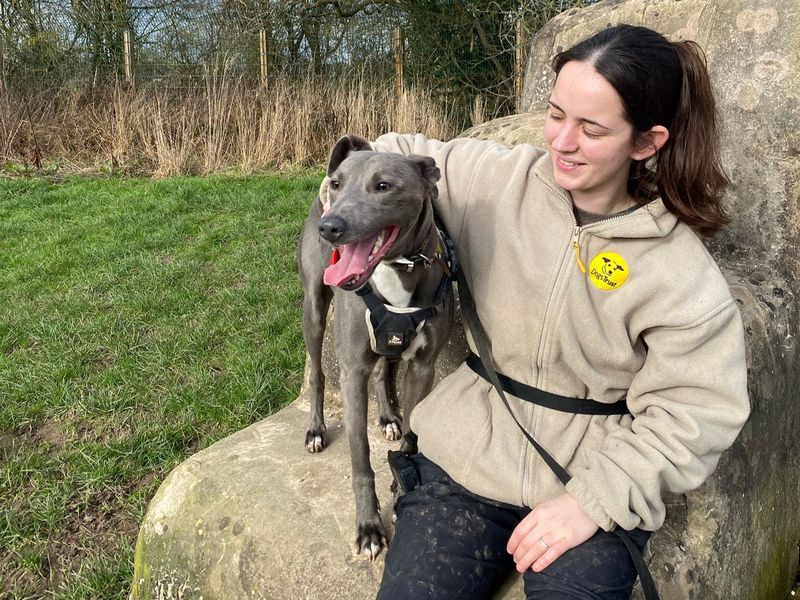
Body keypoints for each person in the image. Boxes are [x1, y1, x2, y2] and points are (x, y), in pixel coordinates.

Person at [329, 24, 750, 599]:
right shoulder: (496, 180)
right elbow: (397, 152)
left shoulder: (677, 269)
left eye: (591, 129)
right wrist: (354, 204)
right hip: (466, 456)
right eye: (556, 115)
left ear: (646, 143)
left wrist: (592, 501)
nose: (561, 142)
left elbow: (697, 410)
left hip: (587, 476)